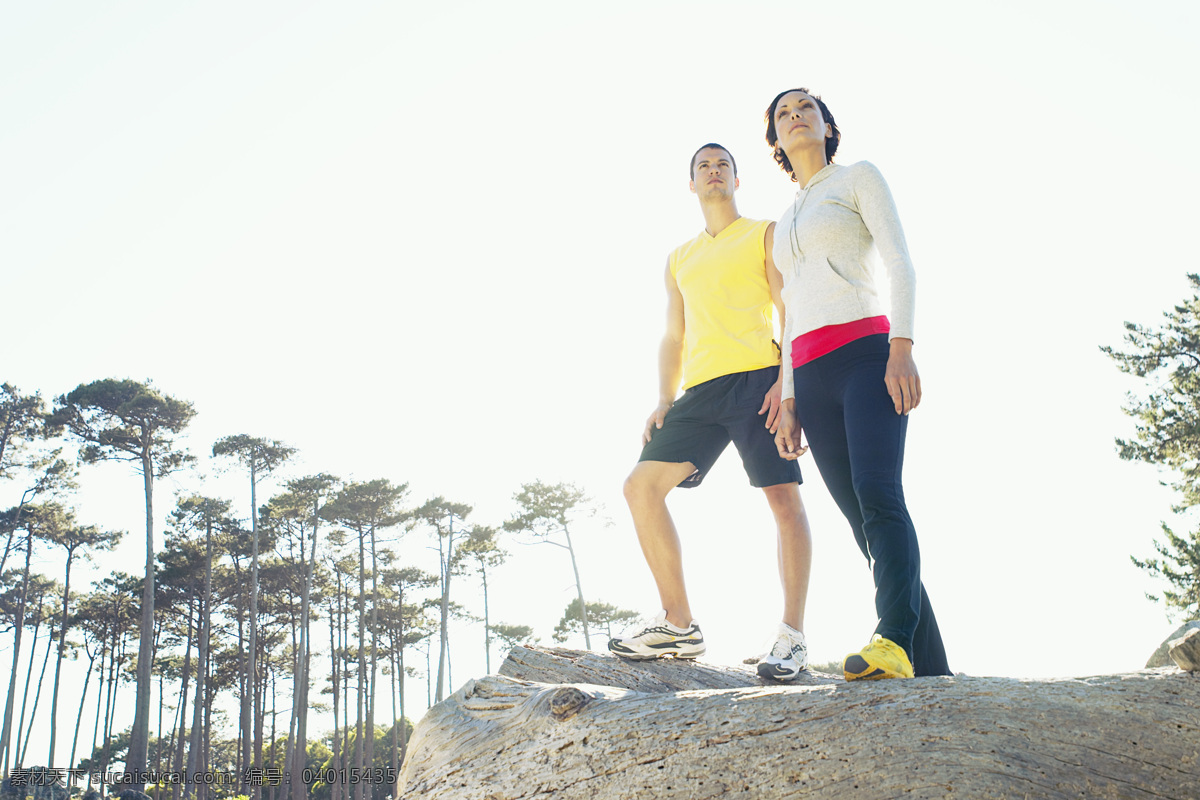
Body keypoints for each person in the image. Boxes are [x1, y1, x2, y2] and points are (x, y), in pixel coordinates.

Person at [607, 143, 814, 681]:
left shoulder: (764, 233)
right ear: (692, 185)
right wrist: (662, 397)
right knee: (639, 487)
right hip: (698, 391)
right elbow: (673, 334)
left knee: (783, 500)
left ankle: (791, 637)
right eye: (704, 166)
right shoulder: (679, 257)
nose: (714, 171)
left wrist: (788, 387)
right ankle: (679, 624)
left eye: (723, 164)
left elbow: (790, 310)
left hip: (758, 382)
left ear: (737, 181)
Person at [764, 88, 952, 680]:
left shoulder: (857, 179)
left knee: (879, 495)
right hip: (811, 378)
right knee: (861, 525)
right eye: (783, 114)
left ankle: (891, 637)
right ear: (775, 140)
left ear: (826, 125)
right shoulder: (783, 222)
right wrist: (788, 395)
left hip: (867, 357)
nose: (796, 117)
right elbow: (787, 312)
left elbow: (900, 261)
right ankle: (932, 672)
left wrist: (903, 345)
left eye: (805, 109)